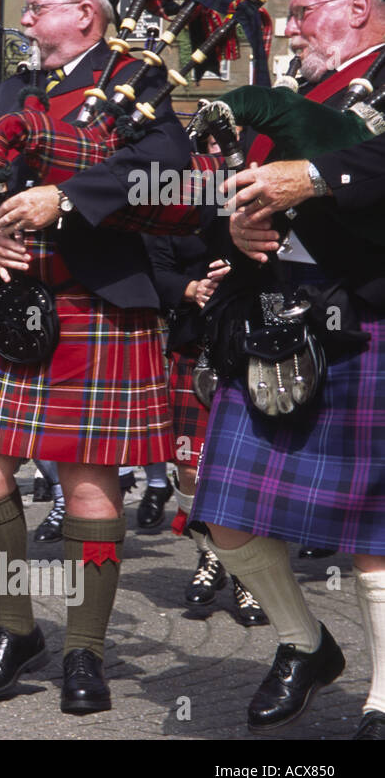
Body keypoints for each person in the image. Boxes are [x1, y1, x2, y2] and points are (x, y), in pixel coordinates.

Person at [0, 0, 193, 714]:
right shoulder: (15, 88)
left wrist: (68, 198)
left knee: (89, 480)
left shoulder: (136, 81)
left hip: (97, 302)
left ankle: (84, 646)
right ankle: (16, 627)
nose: (24, 17)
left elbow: (173, 182)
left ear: (84, 13)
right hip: (16, 301)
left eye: (38, 5)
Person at [192, 0, 385, 738]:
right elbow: (229, 195)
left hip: (369, 317)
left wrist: (318, 177)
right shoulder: (288, 97)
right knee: (225, 512)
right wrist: (231, 225)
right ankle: (305, 644)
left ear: (360, 11)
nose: (294, 25)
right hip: (274, 324)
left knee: (378, 531)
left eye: (307, 10)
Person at [144, 223, 266, 626]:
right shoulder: (174, 205)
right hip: (194, 347)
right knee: (191, 469)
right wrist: (191, 289)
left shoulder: (253, 195)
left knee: (247, 473)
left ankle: (247, 576)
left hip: (254, 344)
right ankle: (211, 555)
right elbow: (155, 271)